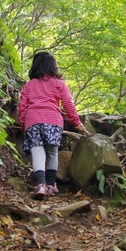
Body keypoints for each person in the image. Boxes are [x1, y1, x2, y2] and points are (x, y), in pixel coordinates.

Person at [17, 51, 86, 199]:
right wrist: (77, 123)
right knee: (52, 152)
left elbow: (22, 107)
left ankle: (40, 185)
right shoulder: (59, 84)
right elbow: (68, 104)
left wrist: (23, 124)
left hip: (33, 120)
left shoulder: (29, 85)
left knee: (37, 152)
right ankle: (51, 185)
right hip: (53, 121)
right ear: (53, 67)